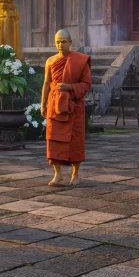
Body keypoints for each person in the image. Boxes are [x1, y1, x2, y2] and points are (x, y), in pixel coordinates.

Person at [42, 29, 91, 187]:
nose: (60, 45)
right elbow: (46, 83)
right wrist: (43, 103)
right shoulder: (50, 61)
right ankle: (57, 174)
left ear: (70, 42)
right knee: (53, 139)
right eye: (57, 42)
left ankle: (75, 174)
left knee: (75, 140)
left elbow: (86, 84)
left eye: (63, 41)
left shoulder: (80, 61)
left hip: (73, 105)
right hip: (55, 105)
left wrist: (70, 87)